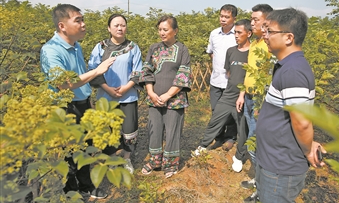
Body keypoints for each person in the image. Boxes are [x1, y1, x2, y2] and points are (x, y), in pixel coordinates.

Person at [40, 4, 115, 199]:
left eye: (83, 19)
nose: (83, 24)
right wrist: (97, 71)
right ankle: (72, 196)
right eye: (78, 20)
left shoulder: (76, 45)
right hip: (64, 107)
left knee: (85, 148)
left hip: (81, 103)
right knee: (70, 154)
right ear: (62, 25)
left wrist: (88, 103)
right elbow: (63, 84)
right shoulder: (50, 50)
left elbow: (81, 78)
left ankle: (86, 186)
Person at [256, 8, 325, 203]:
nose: (265, 36)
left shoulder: (293, 71)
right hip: (273, 160)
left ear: (288, 37)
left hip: (281, 166)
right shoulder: (287, 66)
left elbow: (302, 123)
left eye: (270, 31)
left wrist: (307, 149)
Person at [88, 14, 142, 174]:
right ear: (109, 28)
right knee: (108, 130)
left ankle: (126, 158)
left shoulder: (133, 47)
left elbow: (138, 70)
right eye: (116, 25)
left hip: (128, 95)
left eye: (123, 25)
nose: (120, 28)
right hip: (106, 97)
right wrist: (107, 88)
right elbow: (93, 69)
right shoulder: (101, 47)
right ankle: (111, 159)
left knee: (129, 129)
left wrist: (126, 87)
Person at [138, 15, 191, 178]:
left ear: (175, 31)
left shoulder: (182, 49)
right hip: (154, 98)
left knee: (172, 130)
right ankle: (155, 161)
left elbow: (183, 74)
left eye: (165, 29)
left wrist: (168, 95)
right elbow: (146, 71)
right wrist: (151, 93)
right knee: (154, 130)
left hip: (175, 99)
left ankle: (170, 163)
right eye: (160, 29)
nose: (162, 32)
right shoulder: (154, 48)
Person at [194, 19, 252, 157]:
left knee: (242, 128)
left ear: (249, 33)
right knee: (215, 119)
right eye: (235, 32)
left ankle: (240, 156)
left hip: (245, 96)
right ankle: (203, 145)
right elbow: (229, 72)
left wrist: (242, 95)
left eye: (239, 32)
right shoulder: (231, 51)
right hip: (229, 93)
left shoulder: (254, 52)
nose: (236, 35)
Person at [238, 4, 273, 203]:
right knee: (253, 141)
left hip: (261, 99)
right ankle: (259, 180)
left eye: (255, 20)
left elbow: (271, 75)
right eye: (251, 20)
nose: (252, 23)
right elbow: (250, 71)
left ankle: (263, 189)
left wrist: (264, 102)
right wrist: (242, 93)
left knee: (257, 142)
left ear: (267, 21)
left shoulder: (269, 46)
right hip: (250, 97)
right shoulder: (255, 43)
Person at [206, 4, 239, 151]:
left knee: (231, 112)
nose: (223, 19)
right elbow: (211, 52)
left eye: (227, 17)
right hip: (216, 80)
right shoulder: (214, 34)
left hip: (231, 82)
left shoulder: (237, 35)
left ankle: (230, 137)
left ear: (234, 18)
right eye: (221, 16)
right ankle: (218, 137)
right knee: (215, 110)